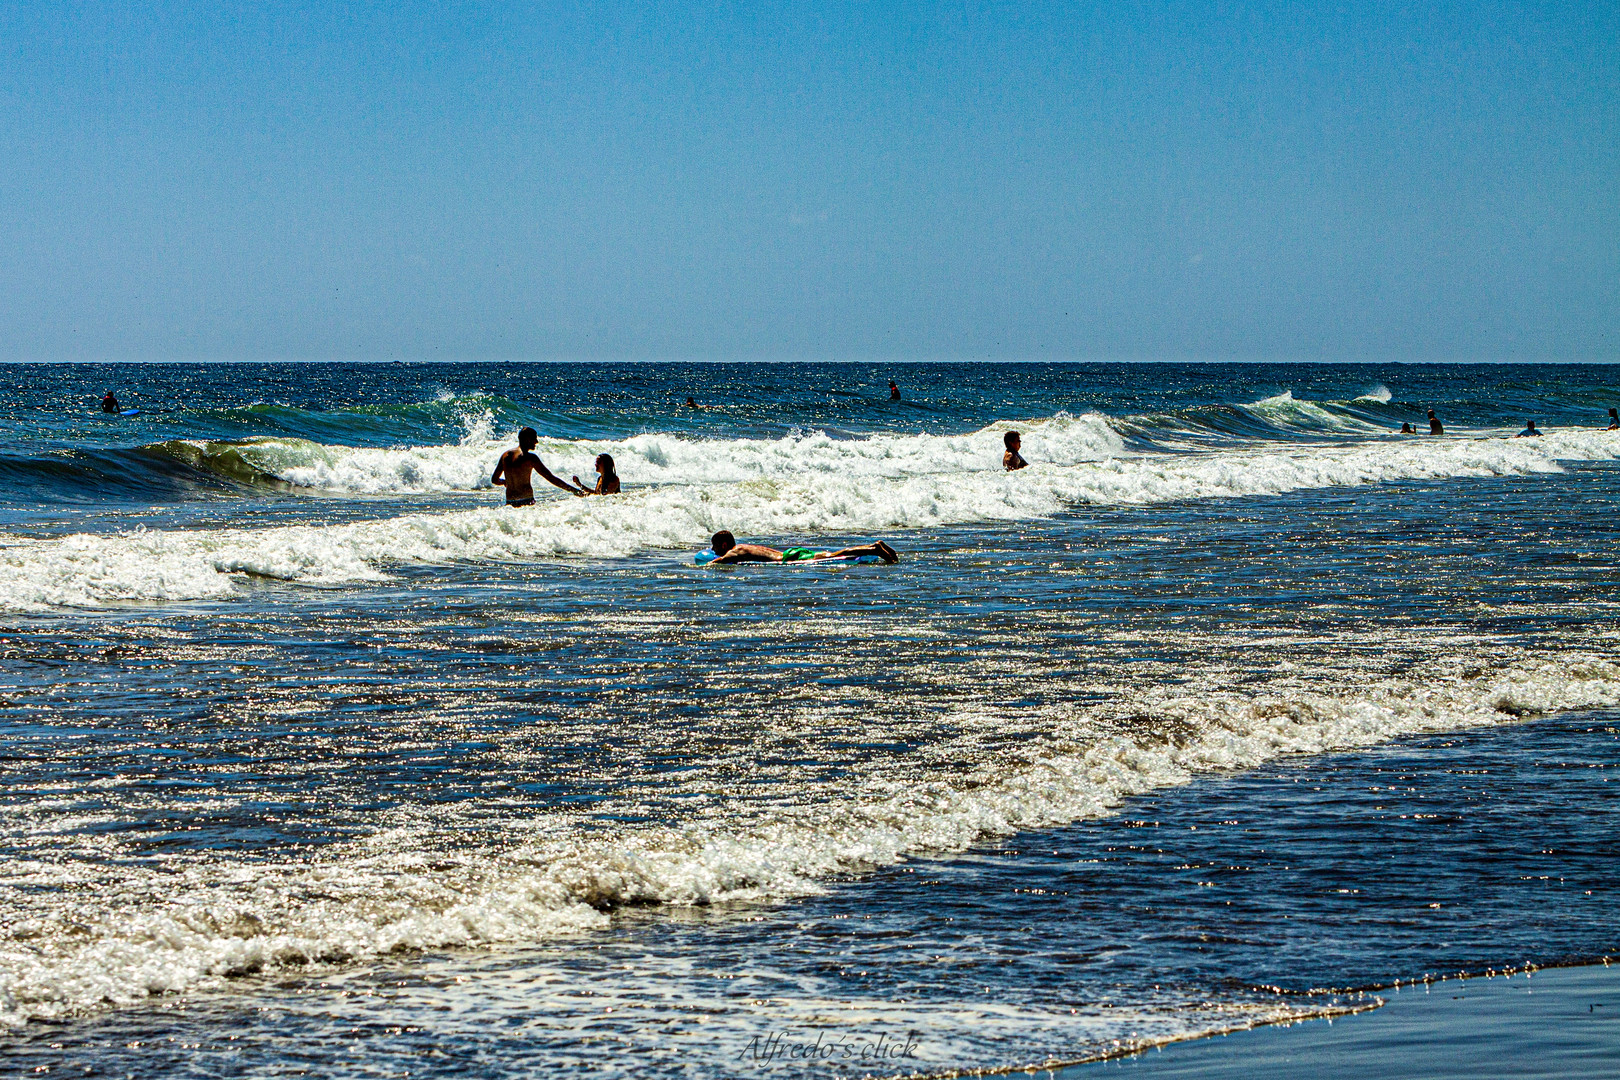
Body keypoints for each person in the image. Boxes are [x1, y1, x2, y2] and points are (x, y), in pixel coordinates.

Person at [491, 427, 576, 506]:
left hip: (510, 503)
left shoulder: (505, 455)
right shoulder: (530, 458)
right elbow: (550, 478)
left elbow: (494, 480)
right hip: (526, 502)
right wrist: (574, 490)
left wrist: (505, 482)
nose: (536, 442)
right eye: (534, 438)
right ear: (527, 439)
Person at [707, 530, 898, 565]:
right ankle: (874, 548)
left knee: (835, 556)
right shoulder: (744, 546)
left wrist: (707, 565)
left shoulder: (734, 551)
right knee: (832, 554)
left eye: (715, 547)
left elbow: (721, 560)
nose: (713, 550)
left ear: (724, 544)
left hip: (790, 559)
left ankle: (874, 548)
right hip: (791, 553)